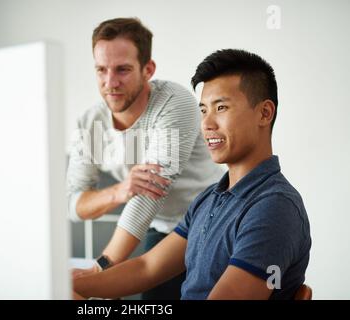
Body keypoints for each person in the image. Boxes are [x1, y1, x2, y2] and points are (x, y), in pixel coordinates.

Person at [73, 49, 312, 300]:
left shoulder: (273, 207)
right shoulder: (209, 198)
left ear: (264, 113)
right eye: (203, 110)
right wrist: (77, 287)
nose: (207, 124)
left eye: (221, 107)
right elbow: (147, 268)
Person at [67, 17, 223, 300]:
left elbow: (150, 194)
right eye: (101, 70)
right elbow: (75, 205)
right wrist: (118, 191)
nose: (109, 82)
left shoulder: (175, 102)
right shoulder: (90, 123)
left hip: (210, 223)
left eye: (122, 70)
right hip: (162, 228)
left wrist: (100, 268)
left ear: (148, 69)